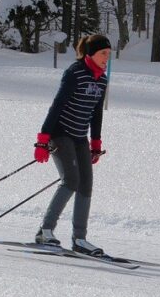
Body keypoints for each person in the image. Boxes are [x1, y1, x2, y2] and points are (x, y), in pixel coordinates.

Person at [33, 34, 111, 256]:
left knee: (85, 185)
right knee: (71, 181)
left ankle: (80, 239)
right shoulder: (74, 73)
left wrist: (95, 143)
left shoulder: (102, 79)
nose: (107, 58)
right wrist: (43, 139)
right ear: (90, 54)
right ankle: (45, 230)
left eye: (109, 54)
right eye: (103, 53)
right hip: (60, 133)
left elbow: (96, 113)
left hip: (79, 137)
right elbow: (57, 106)